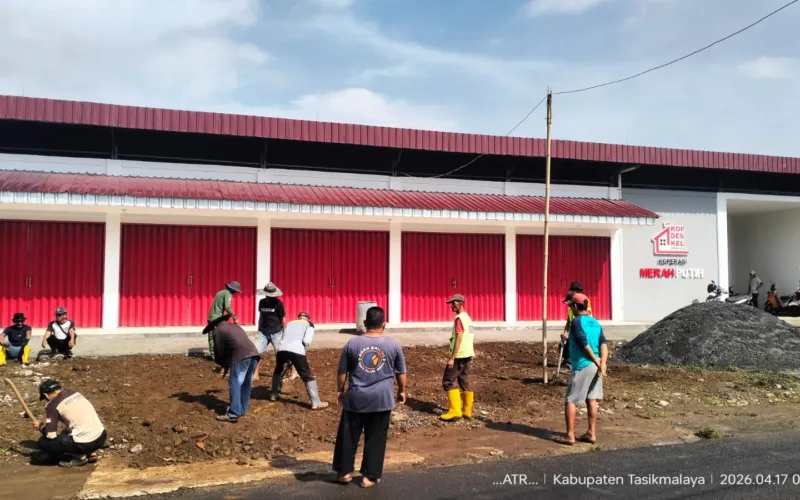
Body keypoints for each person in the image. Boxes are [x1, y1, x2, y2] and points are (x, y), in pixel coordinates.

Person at [333, 306, 407, 488]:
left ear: (365, 323)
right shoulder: (393, 345)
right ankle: (369, 477)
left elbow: (342, 371)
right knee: (375, 439)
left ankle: (344, 473)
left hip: (356, 399)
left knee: (348, 436)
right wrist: (402, 390)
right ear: (384, 324)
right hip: (381, 400)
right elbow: (401, 372)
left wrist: (340, 390)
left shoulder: (352, 344)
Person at [554, 293, 608, 446]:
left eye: (571, 306)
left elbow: (584, 344)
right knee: (592, 399)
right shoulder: (595, 323)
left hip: (584, 364)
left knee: (570, 399)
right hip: (596, 365)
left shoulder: (577, 322)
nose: (570, 308)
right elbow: (603, 344)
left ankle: (570, 436)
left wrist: (597, 362)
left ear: (576, 306)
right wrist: (602, 363)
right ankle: (591, 433)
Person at [34, 379, 107, 467]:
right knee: (67, 431)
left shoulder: (52, 405)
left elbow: (51, 435)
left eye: (45, 398)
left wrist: (40, 426)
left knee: (44, 442)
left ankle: (79, 457)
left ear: (46, 395)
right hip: (101, 437)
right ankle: (91, 453)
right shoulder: (74, 393)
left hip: (86, 444)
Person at [204, 315, 260, 423]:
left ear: (214, 325)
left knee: (235, 383)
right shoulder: (235, 327)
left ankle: (233, 413)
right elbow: (234, 344)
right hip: (254, 354)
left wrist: (223, 364)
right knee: (246, 383)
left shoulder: (218, 331)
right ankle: (242, 410)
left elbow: (219, 352)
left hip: (241, 356)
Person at [269, 312, 329, 410]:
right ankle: (316, 402)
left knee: (278, 369)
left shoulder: (290, 323)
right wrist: (302, 352)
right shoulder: (309, 324)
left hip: (282, 349)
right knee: (307, 375)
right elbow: (306, 340)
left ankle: (274, 394)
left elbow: (285, 337)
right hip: (297, 350)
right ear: (308, 319)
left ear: (298, 317)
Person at [440, 294, 475, 422]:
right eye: (451, 303)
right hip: (468, 354)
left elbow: (459, 338)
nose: (451, 305)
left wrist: (452, 358)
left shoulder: (459, 319)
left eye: (453, 303)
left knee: (447, 382)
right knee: (463, 381)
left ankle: (455, 411)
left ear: (460, 303)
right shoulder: (468, 318)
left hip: (459, 355)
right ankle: (467, 411)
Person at [254, 282, 295, 382]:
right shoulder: (262, 302)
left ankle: (292, 372)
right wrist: (259, 329)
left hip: (276, 333)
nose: (268, 297)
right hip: (263, 333)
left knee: (282, 354)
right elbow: (261, 317)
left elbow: (283, 319)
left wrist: (286, 333)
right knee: (256, 353)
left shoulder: (278, 304)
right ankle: (255, 374)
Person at [560, 281, 593, 370]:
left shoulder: (584, 301)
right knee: (563, 342)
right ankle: (567, 359)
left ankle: (574, 361)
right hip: (575, 327)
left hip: (584, 327)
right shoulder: (571, 306)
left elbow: (587, 315)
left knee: (575, 342)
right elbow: (568, 321)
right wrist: (565, 331)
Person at [206, 281, 242, 360]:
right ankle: (215, 357)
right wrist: (235, 318)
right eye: (235, 291)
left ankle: (214, 355)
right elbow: (227, 307)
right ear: (233, 290)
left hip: (211, 317)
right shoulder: (228, 293)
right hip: (216, 318)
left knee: (212, 337)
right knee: (216, 337)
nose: (235, 293)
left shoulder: (221, 292)